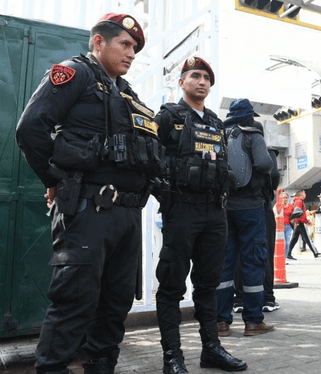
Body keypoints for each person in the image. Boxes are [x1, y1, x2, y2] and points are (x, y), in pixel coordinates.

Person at [15, 14, 164, 374]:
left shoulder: (127, 93)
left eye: (135, 49)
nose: (131, 54)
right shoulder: (75, 73)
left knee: (115, 305)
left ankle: (101, 367)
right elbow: (31, 128)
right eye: (125, 45)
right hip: (87, 210)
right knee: (74, 302)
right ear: (99, 42)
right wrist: (53, 178)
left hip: (126, 216)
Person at [154, 57, 246, 373]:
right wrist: (164, 195)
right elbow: (150, 159)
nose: (202, 81)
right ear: (181, 82)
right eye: (195, 75)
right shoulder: (168, 116)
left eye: (207, 77)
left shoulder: (216, 124)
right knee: (171, 285)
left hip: (213, 213)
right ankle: (173, 358)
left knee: (208, 284)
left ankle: (211, 349)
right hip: (181, 211)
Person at [216, 98, 274, 337]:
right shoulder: (252, 134)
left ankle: (221, 322)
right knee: (253, 261)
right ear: (250, 117)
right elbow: (264, 163)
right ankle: (253, 321)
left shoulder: (218, 134)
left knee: (225, 263)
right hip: (251, 207)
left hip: (224, 207)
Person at [233, 146, 281, 313]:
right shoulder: (267, 152)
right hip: (261, 207)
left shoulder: (233, 148)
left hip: (233, 209)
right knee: (264, 254)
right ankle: (267, 298)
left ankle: (239, 299)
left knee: (238, 255)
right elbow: (274, 176)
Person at [288, 190, 321, 258]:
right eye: (304, 193)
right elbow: (297, 213)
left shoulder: (297, 201)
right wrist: (304, 221)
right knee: (308, 238)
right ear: (301, 194)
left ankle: (288, 253)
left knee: (294, 239)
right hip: (300, 222)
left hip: (298, 222)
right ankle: (315, 253)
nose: (305, 194)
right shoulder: (299, 201)